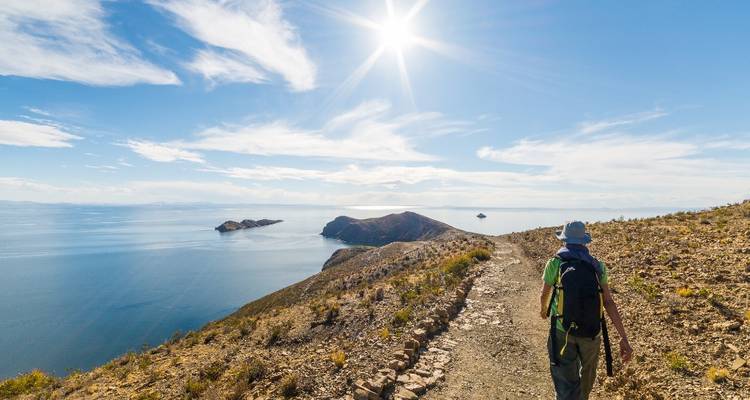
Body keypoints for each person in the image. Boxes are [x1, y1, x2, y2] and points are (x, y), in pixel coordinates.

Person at [539, 221, 633, 400]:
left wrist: (543, 311)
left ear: (564, 240)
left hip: (562, 330)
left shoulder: (555, 263)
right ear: (584, 241)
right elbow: (608, 302)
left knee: (565, 383)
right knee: (586, 382)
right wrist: (623, 337)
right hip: (592, 334)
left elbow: (544, 294)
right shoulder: (598, 266)